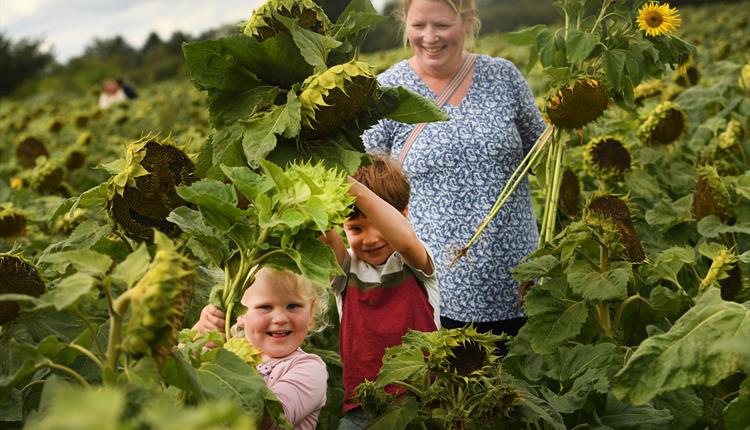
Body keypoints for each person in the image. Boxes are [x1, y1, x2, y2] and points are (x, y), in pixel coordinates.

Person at [361, 0, 546, 351]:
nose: (429, 37)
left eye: (441, 25)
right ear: (405, 25)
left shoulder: (503, 77)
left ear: (467, 21)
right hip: (430, 290)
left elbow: (541, 151)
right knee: (449, 397)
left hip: (520, 282)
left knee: (526, 391)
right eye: (419, 26)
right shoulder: (387, 91)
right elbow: (365, 184)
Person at [324, 155, 439, 429]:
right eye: (356, 228)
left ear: (404, 214)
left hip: (421, 403)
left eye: (379, 224)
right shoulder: (346, 268)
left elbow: (405, 238)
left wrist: (352, 187)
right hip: (363, 407)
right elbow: (322, 235)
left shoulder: (412, 259)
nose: (371, 238)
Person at [194, 267, 328, 430]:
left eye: (293, 306)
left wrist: (226, 371)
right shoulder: (224, 351)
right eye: (265, 307)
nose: (280, 318)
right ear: (239, 312)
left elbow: (266, 420)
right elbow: (171, 376)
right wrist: (200, 335)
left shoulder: (309, 369)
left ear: (311, 310)